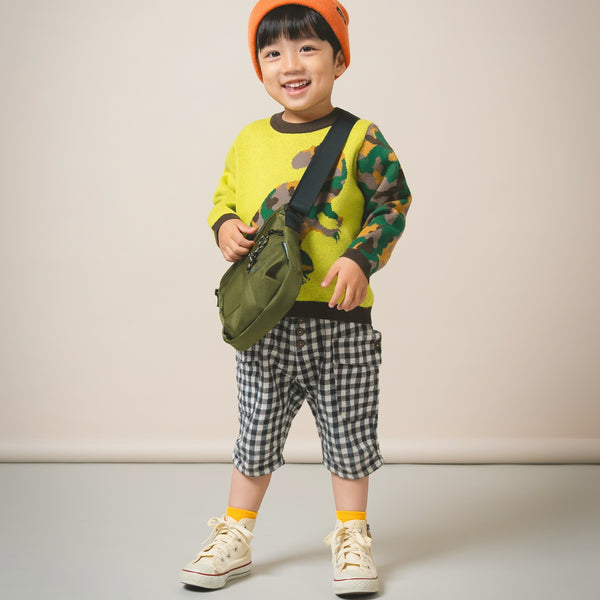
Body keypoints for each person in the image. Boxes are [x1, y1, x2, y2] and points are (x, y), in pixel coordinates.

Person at [180, 0, 411, 596]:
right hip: (267, 321)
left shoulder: (360, 137)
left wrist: (361, 258)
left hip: (340, 320)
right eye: (273, 52)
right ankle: (235, 534)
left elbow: (392, 202)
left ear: (339, 59)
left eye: (308, 47)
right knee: (255, 432)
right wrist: (225, 226)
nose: (291, 64)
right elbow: (223, 199)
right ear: (259, 66)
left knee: (349, 434)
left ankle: (353, 535)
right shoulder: (249, 139)